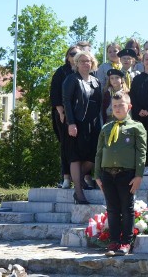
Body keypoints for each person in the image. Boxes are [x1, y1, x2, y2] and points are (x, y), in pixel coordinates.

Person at [94, 91, 147, 256]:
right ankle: (114, 241)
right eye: (114, 106)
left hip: (127, 174)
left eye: (121, 105)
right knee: (112, 209)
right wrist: (97, 175)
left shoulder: (136, 127)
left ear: (129, 107)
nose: (117, 108)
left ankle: (126, 243)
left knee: (127, 208)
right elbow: (99, 152)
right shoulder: (106, 127)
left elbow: (141, 152)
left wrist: (138, 175)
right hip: (107, 174)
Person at [62, 51, 103, 204]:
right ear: (77, 63)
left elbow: (98, 105)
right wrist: (71, 123)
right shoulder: (71, 79)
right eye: (83, 61)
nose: (86, 63)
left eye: (89, 61)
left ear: (93, 63)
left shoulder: (96, 81)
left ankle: (77, 180)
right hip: (77, 123)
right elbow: (66, 102)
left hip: (93, 124)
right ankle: (78, 193)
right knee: (76, 156)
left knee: (93, 156)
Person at [49, 44, 80, 189]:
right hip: (63, 115)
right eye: (72, 54)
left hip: (80, 115)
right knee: (66, 146)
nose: (75, 56)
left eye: (78, 54)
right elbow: (55, 94)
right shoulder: (61, 72)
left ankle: (84, 177)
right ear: (67, 57)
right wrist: (62, 112)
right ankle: (66, 177)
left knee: (82, 146)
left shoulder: (84, 71)